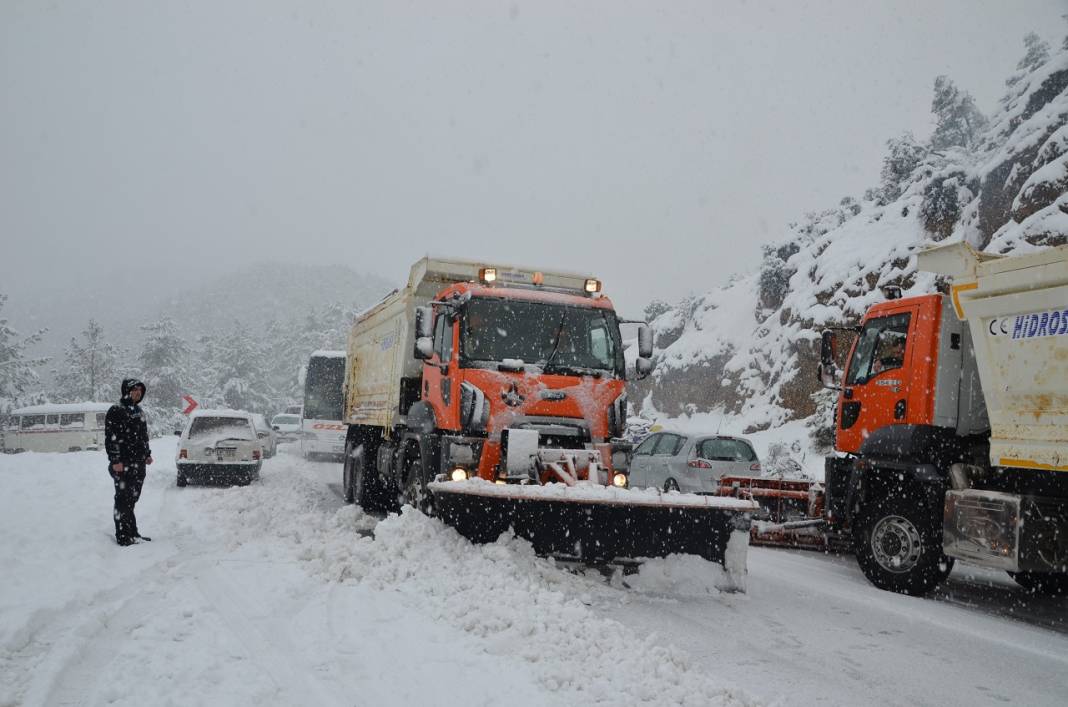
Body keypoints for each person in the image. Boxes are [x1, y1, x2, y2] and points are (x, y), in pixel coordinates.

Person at [105, 379, 154, 546]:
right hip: (123, 463)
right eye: (134, 390)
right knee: (123, 499)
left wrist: (147, 454)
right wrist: (115, 460)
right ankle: (123, 536)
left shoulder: (139, 411)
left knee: (132, 499)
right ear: (126, 391)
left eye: (140, 390)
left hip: (138, 463)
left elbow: (143, 436)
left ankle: (133, 532)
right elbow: (112, 439)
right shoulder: (116, 410)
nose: (138, 393)